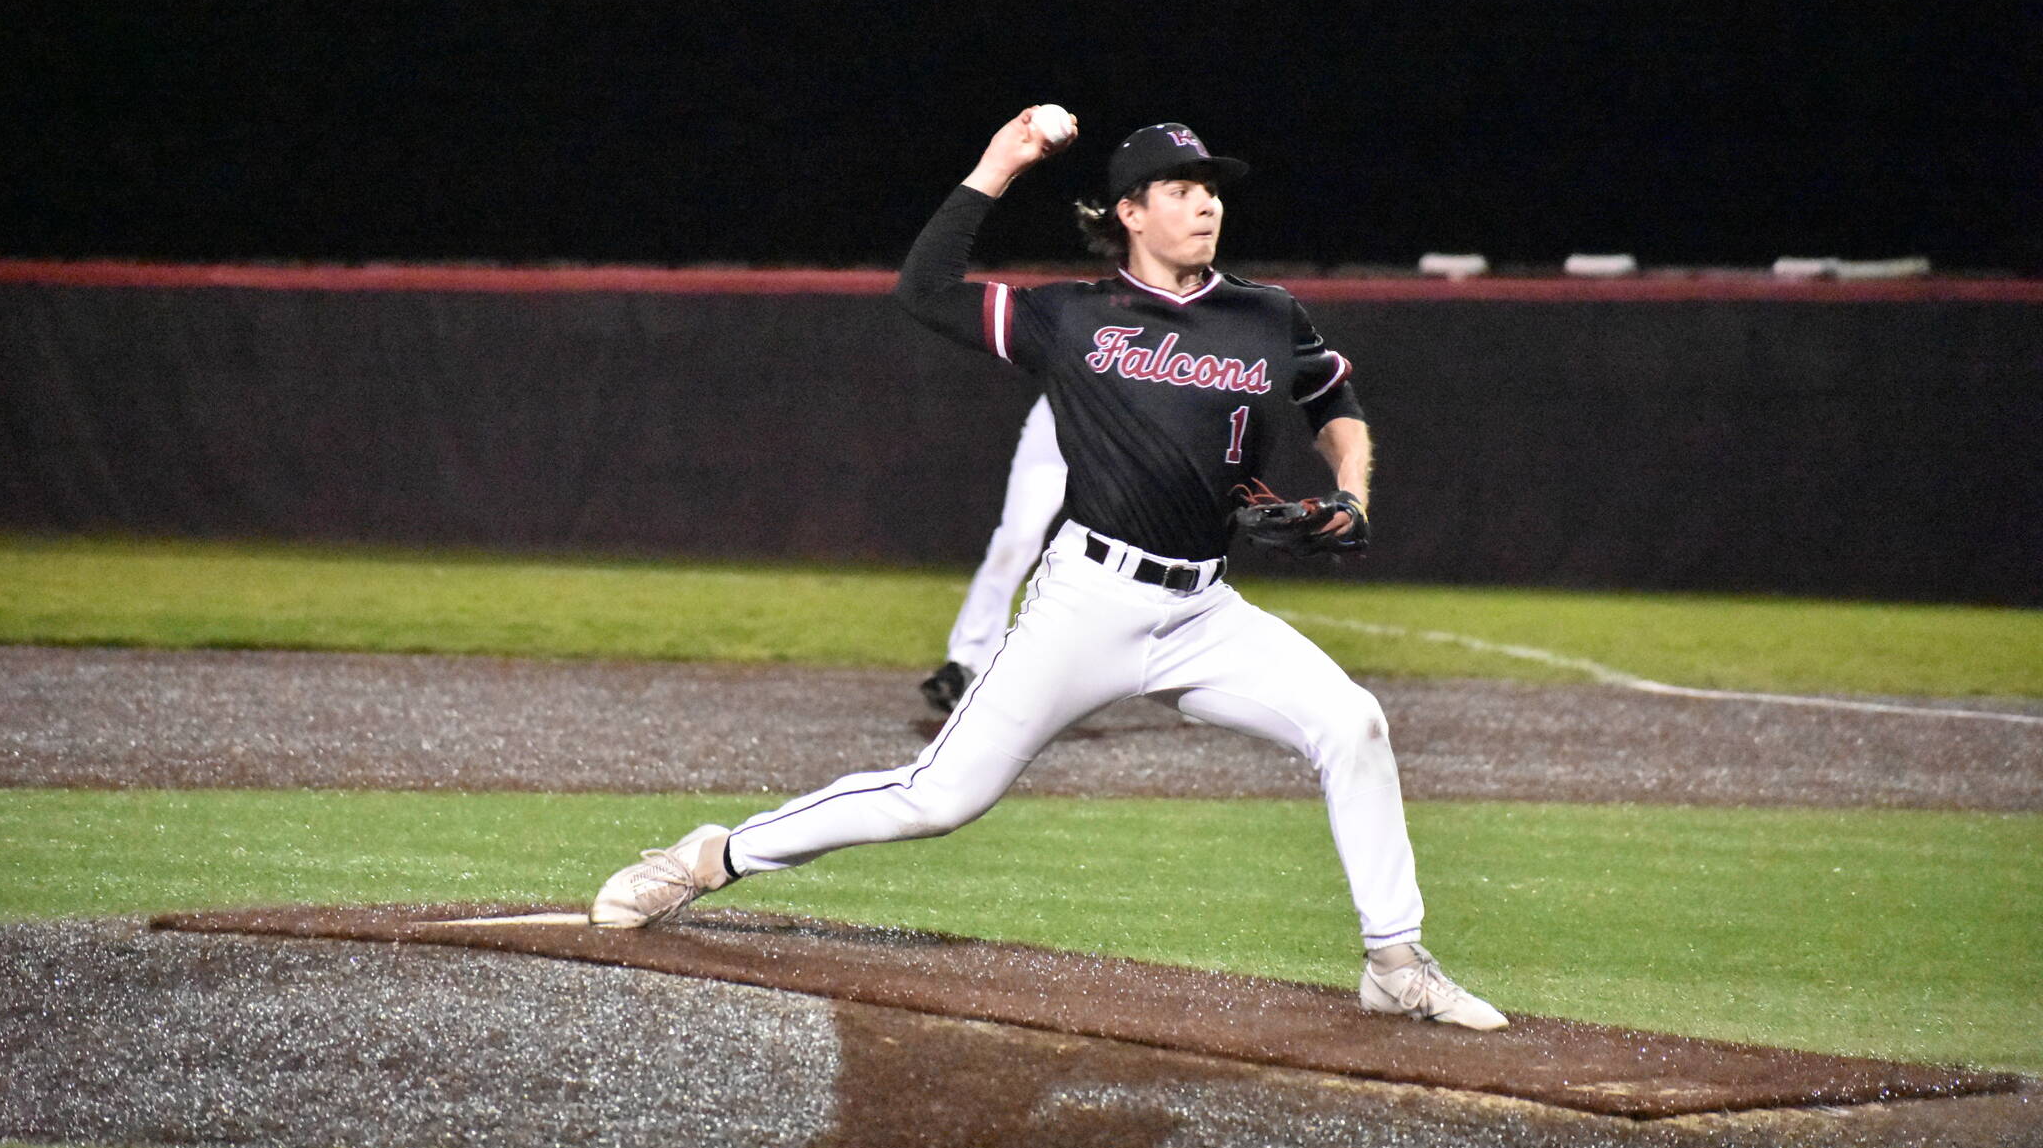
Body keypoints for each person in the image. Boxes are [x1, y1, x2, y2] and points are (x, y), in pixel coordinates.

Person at [593, 108, 1507, 1030]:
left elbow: (1333, 399)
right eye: (1181, 189)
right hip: (1088, 602)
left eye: (1211, 189)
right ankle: (711, 857)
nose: (1206, 205)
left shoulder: (1266, 313)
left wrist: (1351, 492)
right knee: (937, 798)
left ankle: (1395, 959)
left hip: (1205, 612)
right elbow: (924, 289)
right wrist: (1000, 161)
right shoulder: (1068, 314)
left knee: (1353, 722)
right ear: (1129, 213)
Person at [918, 393, 1066, 714]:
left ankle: (1178, 670)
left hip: (1136, 416)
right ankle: (966, 664)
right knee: (1015, 541)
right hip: (1060, 417)